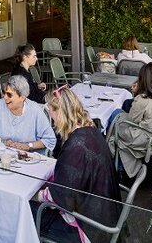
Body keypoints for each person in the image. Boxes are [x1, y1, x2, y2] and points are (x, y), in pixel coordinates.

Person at [32, 86, 121, 243]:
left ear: (60, 113)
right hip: (105, 213)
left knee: (28, 210)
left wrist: (34, 194)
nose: (52, 123)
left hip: (90, 226)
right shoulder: (91, 130)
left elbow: (60, 198)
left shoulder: (75, 147)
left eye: (52, 116)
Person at [108, 62, 152, 179]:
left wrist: (136, 94)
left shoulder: (143, 100)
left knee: (114, 118)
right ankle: (119, 164)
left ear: (143, 80)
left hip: (145, 139)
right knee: (117, 116)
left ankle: (118, 168)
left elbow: (132, 120)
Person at [0, 74, 56, 152]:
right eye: (4, 92)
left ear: (22, 97)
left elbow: (49, 139)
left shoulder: (35, 110)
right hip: (0, 153)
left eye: (9, 94)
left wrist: (27, 146)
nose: (5, 97)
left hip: (27, 157)